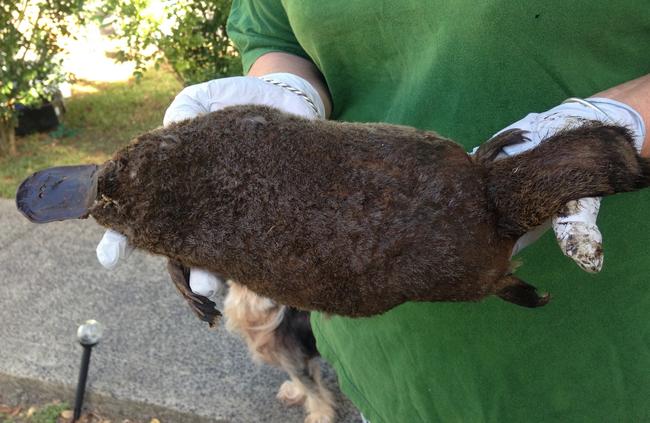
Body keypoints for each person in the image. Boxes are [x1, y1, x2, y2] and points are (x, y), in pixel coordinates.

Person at [99, 1, 650, 421]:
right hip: (388, 368)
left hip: (610, 354)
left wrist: (622, 121)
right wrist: (286, 86)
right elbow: (273, 30)